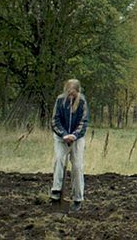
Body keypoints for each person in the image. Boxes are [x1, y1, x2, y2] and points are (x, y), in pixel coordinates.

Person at [50, 79, 90, 212]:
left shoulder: (82, 102)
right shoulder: (60, 100)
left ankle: (78, 198)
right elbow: (55, 120)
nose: (71, 96)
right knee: (59, 160)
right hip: (61, 137)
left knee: (77, 166)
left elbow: (83, 122)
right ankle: (56, 191)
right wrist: (64, 134)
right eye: (69, 93)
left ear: (78, 92)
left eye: (73, 94)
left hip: (77, 138)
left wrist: (74, 135)